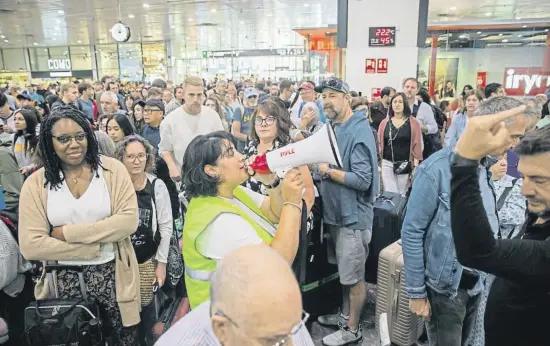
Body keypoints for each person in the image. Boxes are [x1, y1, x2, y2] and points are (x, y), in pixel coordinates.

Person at [18, 105, 140, 345]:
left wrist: (66, 233)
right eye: (63, 139)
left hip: (114, 277)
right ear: (49, 141)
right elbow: (31, 245)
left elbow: (127, 221)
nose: (73, 145)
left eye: (80, 136)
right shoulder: (35, 183)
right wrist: (88, 250)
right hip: (61, 283)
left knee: (122, 339)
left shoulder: (112, 170)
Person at [450, 105, 549, 346]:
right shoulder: (541, 211)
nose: (525, 190)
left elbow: (478, 251)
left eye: (538, 180)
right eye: (523, 177)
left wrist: (465, 162)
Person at [181, 131, 304, 309]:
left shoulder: (230, 191)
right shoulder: (219, 223)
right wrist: (292, 202)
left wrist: (272, 183)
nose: (241, 157)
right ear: (212, 171)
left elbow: (273, 212)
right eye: (231, 153)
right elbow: (278, 264)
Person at [314, 78, 378, 346]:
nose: (326, 100)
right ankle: (344, 316)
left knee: (354, 278)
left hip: (353, 219)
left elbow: (363, 180)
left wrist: (327, 171)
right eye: (323, 96)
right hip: (337, 214)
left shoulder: (358, 131)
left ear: (346, 98)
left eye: (332, 95)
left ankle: (353, 330)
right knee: (345, 273)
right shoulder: (335, 126)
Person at [155, 244, 315, 346]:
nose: (292, 344)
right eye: (274, 342)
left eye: (294, 327)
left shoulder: (282, 322)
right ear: (222, 329)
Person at [115, 135, 172, 309]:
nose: (136, 161)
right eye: (130, 156)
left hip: (148, 259)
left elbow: (165, 226)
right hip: (121, 262)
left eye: (141, 155)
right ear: (121, 159)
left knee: (148, 310)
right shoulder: (114, 186)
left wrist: (161, 263)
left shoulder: (156, 185)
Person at [158, 76, 224, 182]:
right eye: (191, 95)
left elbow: (223, 142)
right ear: (183, 94)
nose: (196, 99)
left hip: (211, 176)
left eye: (199, 95)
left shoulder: (213, 116)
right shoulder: (170, 120)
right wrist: (172, 167)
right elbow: (165, 150)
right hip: (185, 177)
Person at [377, 92, 423, 194]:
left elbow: (417, 145)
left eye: (400, 102)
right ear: (391, 104)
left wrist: (415, 166)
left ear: (405, 104)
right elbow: (379, 143)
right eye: (395, 102)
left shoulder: (413, 123)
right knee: (390, 193)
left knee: (402, 193)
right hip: (387, 163)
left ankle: (400, 210)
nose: (397, 104)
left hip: (405, 164)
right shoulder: (384, 123)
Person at [11, 108, 39, 174]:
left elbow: (42, 160)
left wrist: (29, 167)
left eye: (20, 119)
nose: (16, 122)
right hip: (20, 174)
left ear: (29, 121)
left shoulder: (38, 138)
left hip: (35, 174)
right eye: (15, 119)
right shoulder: (14, 137)